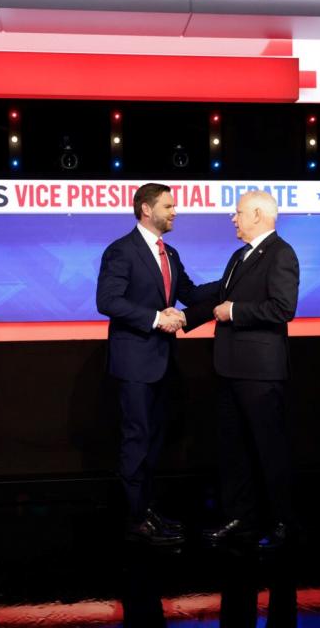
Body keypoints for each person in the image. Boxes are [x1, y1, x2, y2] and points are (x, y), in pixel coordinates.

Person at [96, 182, 218, 545]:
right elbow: (107, 301)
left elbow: (191, 295)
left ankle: (147, 511)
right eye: (168, 206)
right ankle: (134, 519)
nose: (175, 211)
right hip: (134, 364)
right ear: (146, 209)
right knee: (136, 440)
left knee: (153, 442)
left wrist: (232, 281)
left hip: (162, 364)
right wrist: (155, 318)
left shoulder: (171, 254)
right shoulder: (121, 251)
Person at [184, 190, 300, 550]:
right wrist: (182, 313)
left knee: (268, 449)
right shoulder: (240, 255)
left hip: (261, 373)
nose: (233, 219)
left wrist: (234, 312)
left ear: (257, 215)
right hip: (230, 369)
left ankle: (283, 524)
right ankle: (240, 519)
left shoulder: (281, 254)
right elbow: (219, 295)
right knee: (232, 449)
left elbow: (282, 309)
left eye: (237, 214)